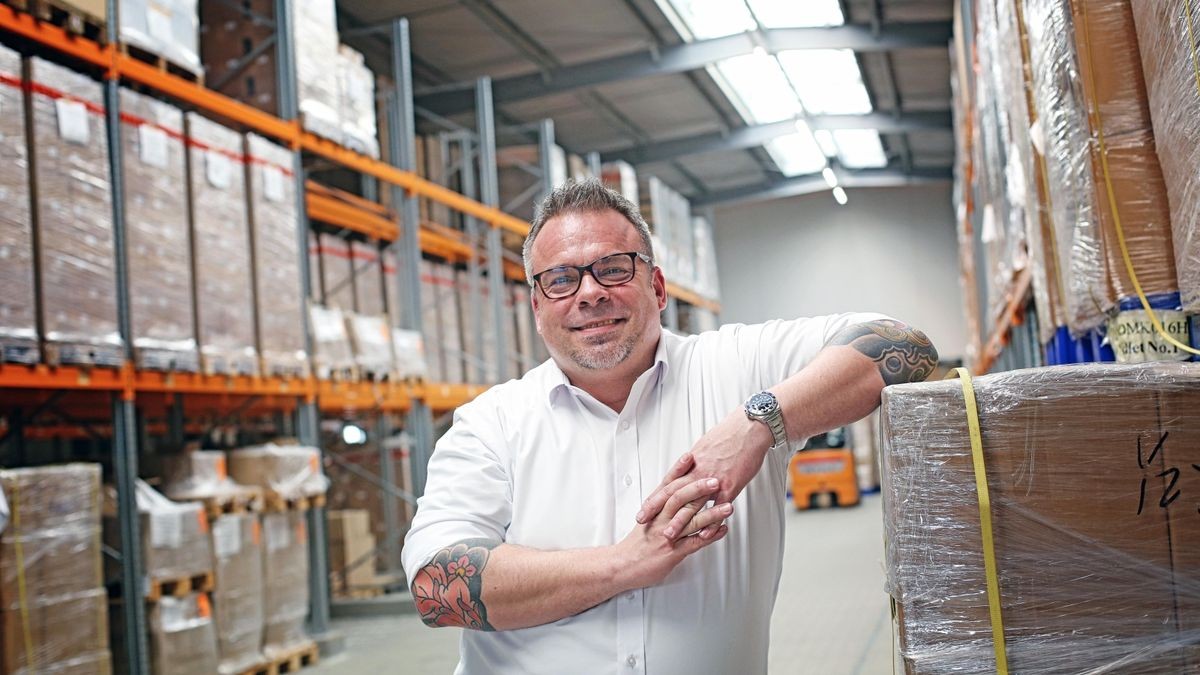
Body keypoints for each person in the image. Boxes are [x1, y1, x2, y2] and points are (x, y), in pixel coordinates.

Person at [402, 179, 938, 674]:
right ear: (538, 306)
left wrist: (760, 422)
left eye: (613, 268)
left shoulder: (736, 365)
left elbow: (905, 346)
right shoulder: (491, 423)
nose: (589, 293)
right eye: (562, 280)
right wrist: (622, 565)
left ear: (657, 287)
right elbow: (433, 583)